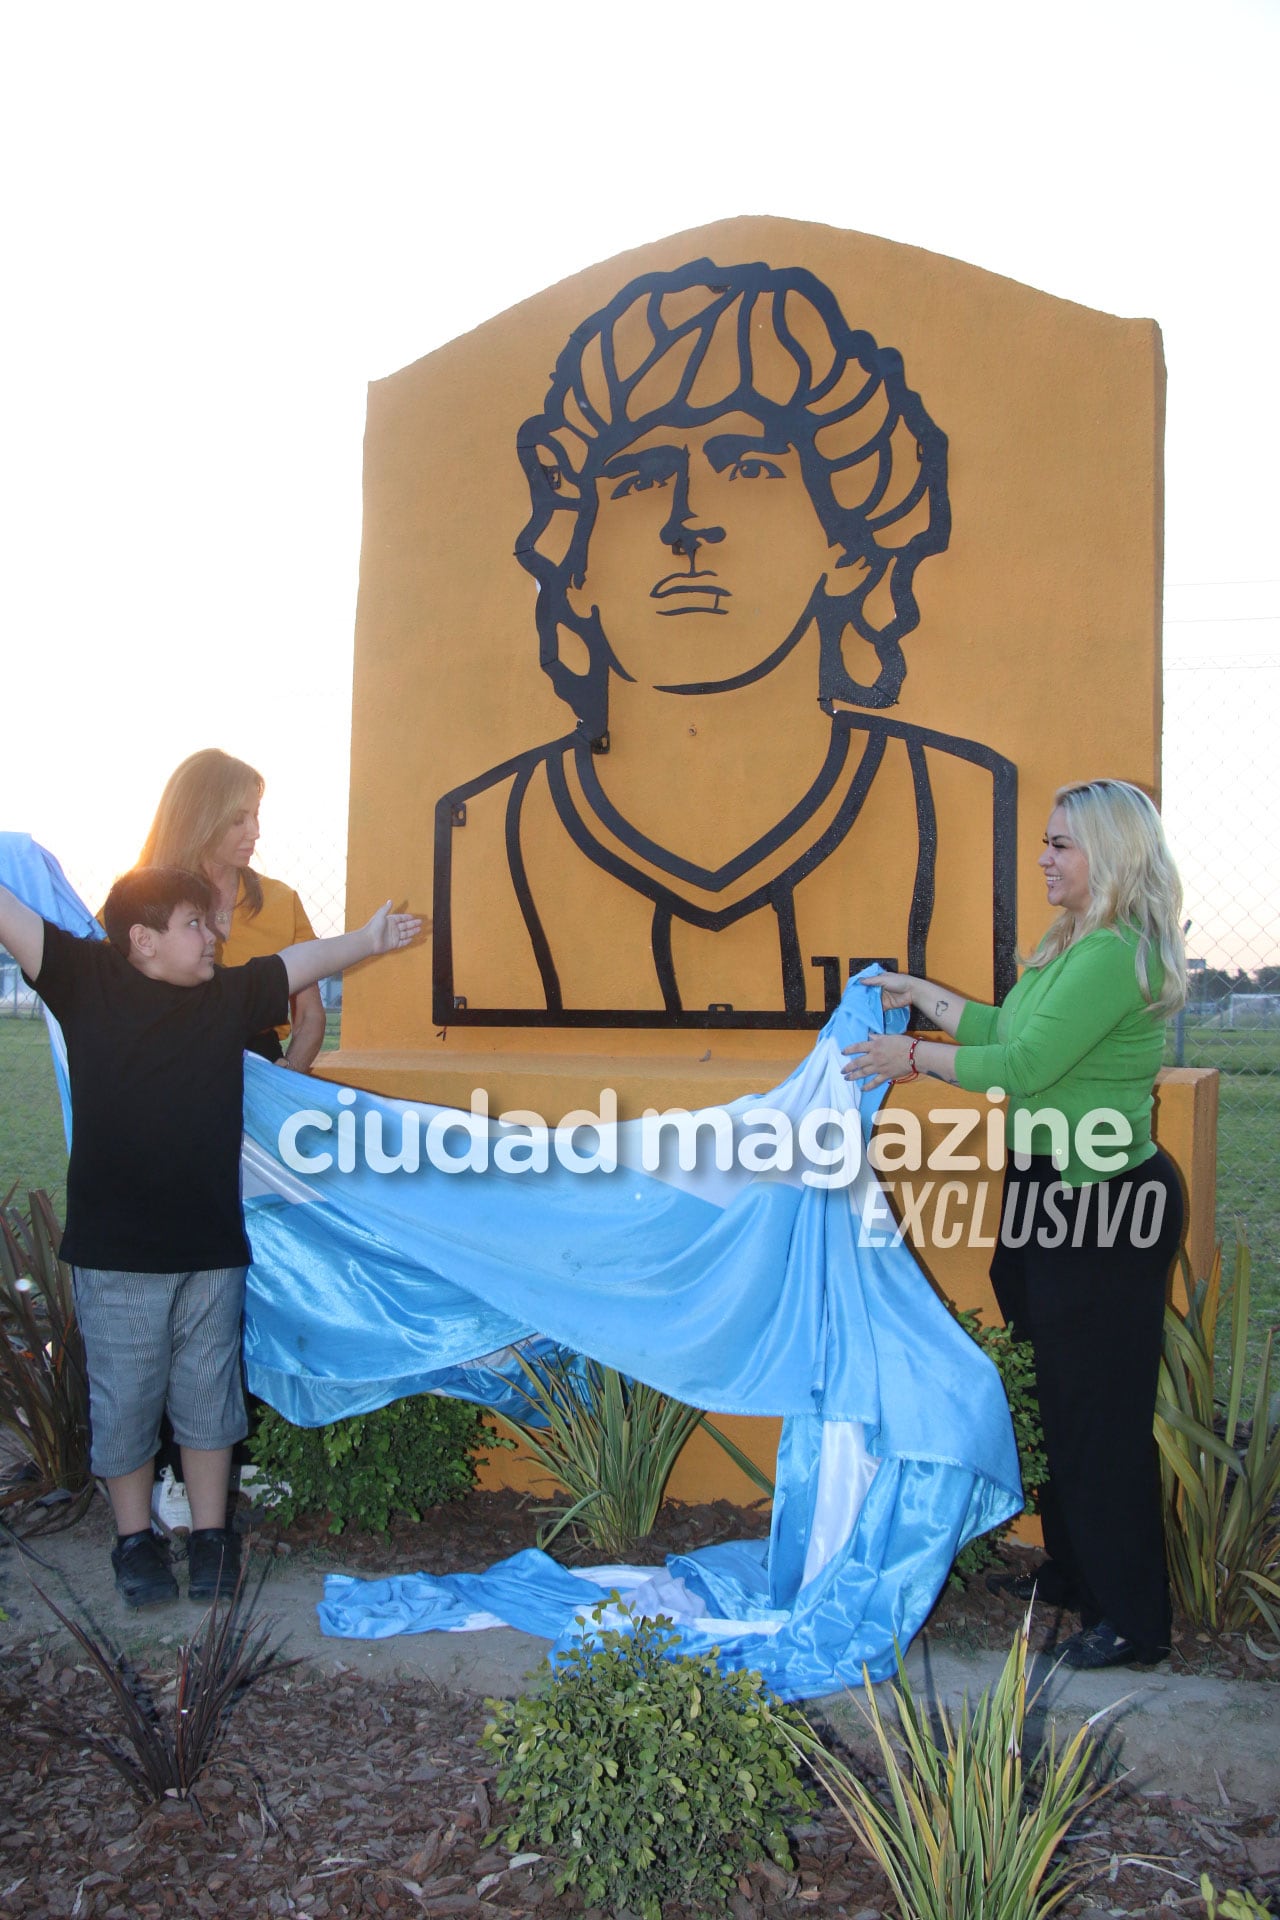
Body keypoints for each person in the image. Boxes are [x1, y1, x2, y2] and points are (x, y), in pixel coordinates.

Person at [434, 258, 1016, 1029]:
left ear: (844, 546)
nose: (688, 523)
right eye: (640, 481)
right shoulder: (494, 836)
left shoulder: (954, 805)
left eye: (748, 467)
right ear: (573, 564)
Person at [0, 865, 421, 1608]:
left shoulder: (224, 998)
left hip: (210, 1252)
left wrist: (369, 939)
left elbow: (297, 964)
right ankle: (134, 1543)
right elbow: (13, 918)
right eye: (195, 924)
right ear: (142, 940)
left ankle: (210, 1537)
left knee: (209, 1402)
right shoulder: (84, 980)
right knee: (126, 1403)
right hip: (117, 1259)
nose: (213, 936)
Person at [842, 778, 1186, 1670]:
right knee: (1059, 1392)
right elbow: (1002, 1024)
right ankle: (1074, 1571)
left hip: (1105, 1204)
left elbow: (1024, 1065)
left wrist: (910, 1055)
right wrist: (920, 993)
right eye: (1044, 841)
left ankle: (1136, 1619)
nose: (1044, 857)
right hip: (1047, 1192)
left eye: (1062, 844)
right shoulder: (1073, 945)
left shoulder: (1116, 953)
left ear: (1109, 855)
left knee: (1099, 1410)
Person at [138, 749, 326, 1069]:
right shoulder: (140, 899)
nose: (255, 831)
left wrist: (283, 1081)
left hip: (260, 1070)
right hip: (170, 1076)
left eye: (256, 815)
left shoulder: (282, 902)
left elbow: (310, 1015)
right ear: (198, 819)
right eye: (238, 819)